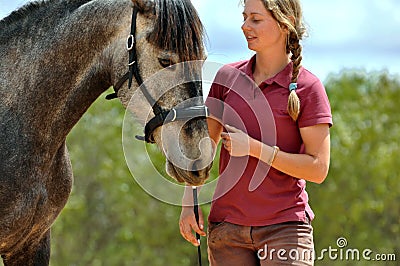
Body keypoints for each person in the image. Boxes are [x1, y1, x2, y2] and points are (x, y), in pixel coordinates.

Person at [180, 0, 332, 265]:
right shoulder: (226, 78)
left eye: (255, 19)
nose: (244, 26)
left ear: (284, 24)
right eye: (244, 17)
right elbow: (204, 148)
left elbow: (318, 169)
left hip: (285, 230)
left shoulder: (308, 87)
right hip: (226, 232)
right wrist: (188, 198)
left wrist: (254, 148)